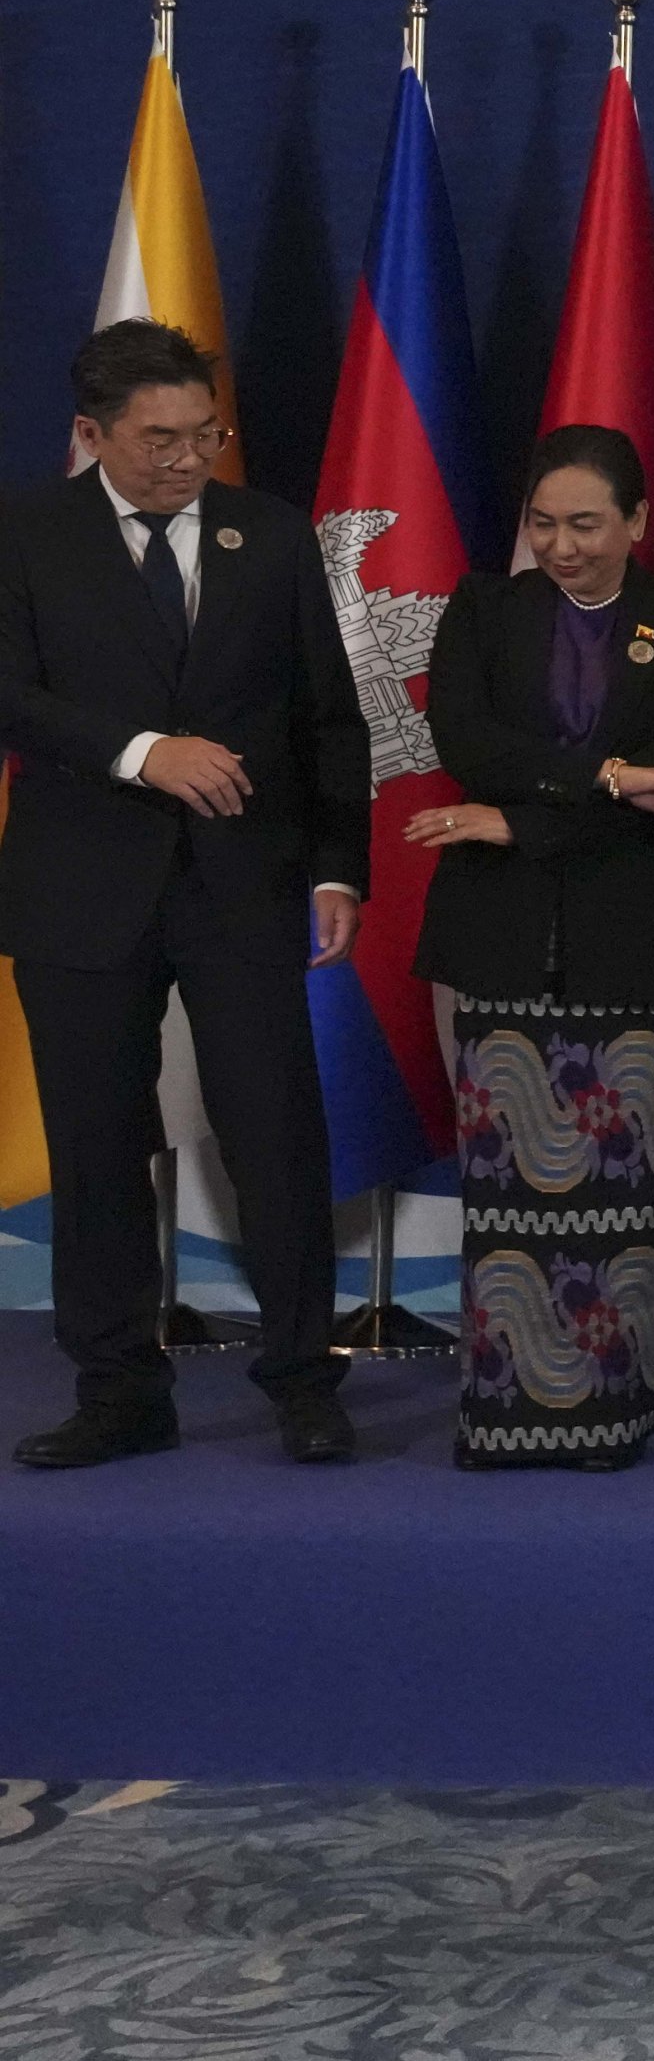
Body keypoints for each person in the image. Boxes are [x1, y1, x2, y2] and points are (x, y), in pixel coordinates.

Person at [0, 319, 367, 1470]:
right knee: (97, 1146)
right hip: (79, 887)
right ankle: (119, 1389)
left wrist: (337, 863)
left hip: (244, 885)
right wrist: (139, 750)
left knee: (277, 1138)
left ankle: (305, 1380)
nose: (184, 459)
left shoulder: (271, 532)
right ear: (89, 434)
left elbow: (328, 716)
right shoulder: (27, 534)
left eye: (202, 435)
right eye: (156, 439)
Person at [409, 425, 654, 1471]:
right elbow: (466, 742)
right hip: (500, 943)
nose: (562, 544)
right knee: (508, 1199)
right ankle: (508, 1411)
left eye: (585, 523)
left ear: (636, 523)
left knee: (625, 1197)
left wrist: (517, 816)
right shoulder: (484, 608)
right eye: (543, 523)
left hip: (634, 939)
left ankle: (615, 1416)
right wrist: (593, 782)